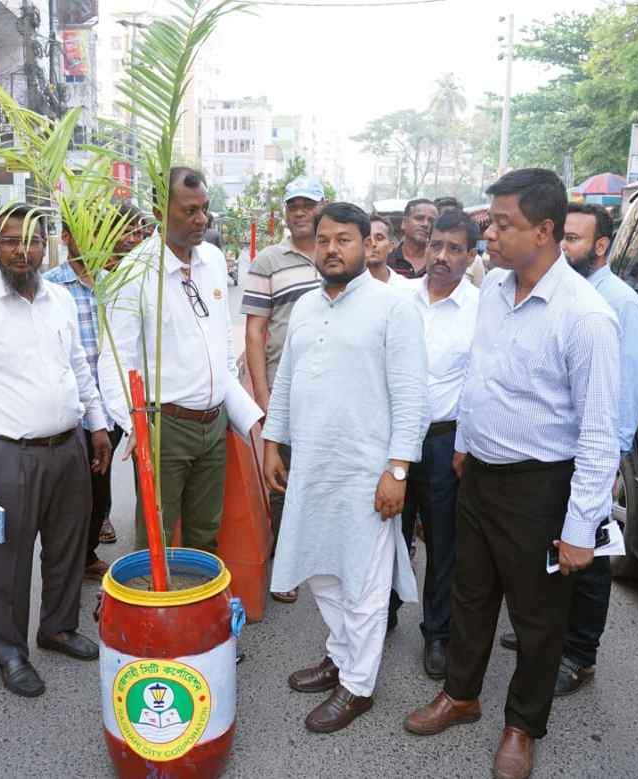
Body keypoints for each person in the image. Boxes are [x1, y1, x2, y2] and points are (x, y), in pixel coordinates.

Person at [404, 170, 620, 779]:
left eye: (503, 224)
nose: (488, 232)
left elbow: (599, 434)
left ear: (545, 231)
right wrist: (465, 445)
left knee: (536, 614)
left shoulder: (587, 318)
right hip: (479, 476)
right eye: (490, 221)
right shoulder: (495, 288)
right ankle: (461, 694)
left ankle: (523, 725)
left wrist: (581, 527)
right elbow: (483, 376)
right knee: (469, 595)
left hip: (540, 486)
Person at [263, 202, 427, 734]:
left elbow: (411, 396)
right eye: (323, 240)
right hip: (312, 463)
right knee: (323, 571)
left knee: (363, 581)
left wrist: (397, 470)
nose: (331, 249)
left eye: (344, 240)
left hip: (368, 472)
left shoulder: (393, 307)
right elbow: (285, 382)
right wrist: (273, 444)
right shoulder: (308, 307)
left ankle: (357, 685)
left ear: (367, 245)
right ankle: (339, 654)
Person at [0, 202, 112, 698]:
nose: (23, 250)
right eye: (12, 240)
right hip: (6, 456)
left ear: (45, 246)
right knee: (6, 561)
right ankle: (10, 652)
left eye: (33, 241)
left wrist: (96, 425)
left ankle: (57, 629)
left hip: (68, 448)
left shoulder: (59, 300)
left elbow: (79, 366)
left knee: (66, 549)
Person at [494, 202, 638, 697]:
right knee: (552, 550)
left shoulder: (617, 305)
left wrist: (608, 469)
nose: (564, 247)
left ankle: (580, 654)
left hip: (596, 455)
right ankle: (547, 636)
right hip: (554, 456)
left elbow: (621, 395)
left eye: (576, 240)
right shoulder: (555, 292)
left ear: (601, 246)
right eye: (562, 237)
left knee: (588, 556)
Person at [99, 167, 246, 557]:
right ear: (159, 211)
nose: (201, 220)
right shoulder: (135, 272)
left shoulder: (212, 260)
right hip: (164, 427)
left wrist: (237, 407)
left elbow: (223, 342)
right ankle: (158, 613)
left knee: (206, 533)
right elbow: (114, 358)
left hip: (213, 425)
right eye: (190, 211)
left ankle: (200, 613)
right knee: (157, 538)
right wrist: (131, 424)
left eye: (205, 210)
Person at [388, 209, 481, 680]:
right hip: (395, 443)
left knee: (443, 543)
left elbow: (481, 385)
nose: (442, 256)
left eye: (454, 248)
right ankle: (380, 618)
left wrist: (465, 446)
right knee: (389, 534)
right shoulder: (399, 299)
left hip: (446, 444)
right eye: (436, 245)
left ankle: (437, 634)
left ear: (471, 256)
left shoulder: (481, 311)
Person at [241, 174, 325, 603]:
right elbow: (255, 330)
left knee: (327, 475)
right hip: (284, 387)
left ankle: (326, 556)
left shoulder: (339, 255)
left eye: (308, 204)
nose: (300, 211)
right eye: (293, 204)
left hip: (332, 391)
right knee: (283, 477)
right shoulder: (269, 261)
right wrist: (261, 391)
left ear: (322, 207)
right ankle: (287, 567)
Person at [43, 206, 126, 580]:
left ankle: (88, 552)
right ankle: (63, 562)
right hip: (70, 408)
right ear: (65, 237)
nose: (91, 242)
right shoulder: (50, 287)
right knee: (69, 493)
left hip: (109, 406)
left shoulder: (117, 283)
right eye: (81, 233)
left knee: (99, 485)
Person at [388, 198, 439, 278]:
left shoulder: (439, 263)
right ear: (404, 223)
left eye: (431, 221)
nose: (425, 224)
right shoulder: (387, 261)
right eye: (419, 218)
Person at [366, 213, 415, 289]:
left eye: (379, 238)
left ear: (391, 246)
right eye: (367, 238)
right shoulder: (346, 287)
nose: (373, 243)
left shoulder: (406, 288)